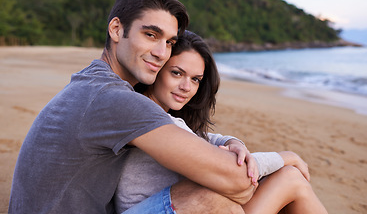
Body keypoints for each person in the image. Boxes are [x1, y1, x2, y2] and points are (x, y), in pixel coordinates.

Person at [9, 0, 256, 214]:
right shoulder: (114, 99)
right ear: (116, 29)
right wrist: (284, 159)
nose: (162, 53)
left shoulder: (92, 83)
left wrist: (233, 142)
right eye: (151, 35)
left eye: (170, 42)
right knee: (210, 201)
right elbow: (239, 183)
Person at [115, 30, 328, 214]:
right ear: (158, 68)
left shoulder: (166, 117)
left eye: (195, 79)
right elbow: (236, 173)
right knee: (289, 178)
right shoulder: (150, 116)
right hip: (159, 208)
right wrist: (288, 157)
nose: (186, 87)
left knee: (285, 182)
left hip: (177, 206)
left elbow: (205, 138)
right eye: (177, 73)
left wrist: (234, 143)